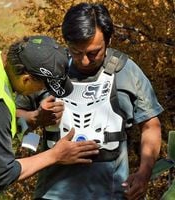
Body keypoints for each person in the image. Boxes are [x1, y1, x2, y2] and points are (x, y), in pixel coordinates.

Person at [16, 3, 164, 200]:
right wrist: (36, 118)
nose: (84, 60)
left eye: (93, 53)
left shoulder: (127, 72)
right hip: (52, 193)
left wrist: (144, 173)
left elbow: (150, 126)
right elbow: (12, 114)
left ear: (109, 40)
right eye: (76, 52)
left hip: (111, 193)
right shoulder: (47, 69)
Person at [0, 35, 100, 191]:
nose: (41, 91)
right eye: (42, 87)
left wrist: (34, 119)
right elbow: (2, 175)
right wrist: (56, 155)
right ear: (26, 79)